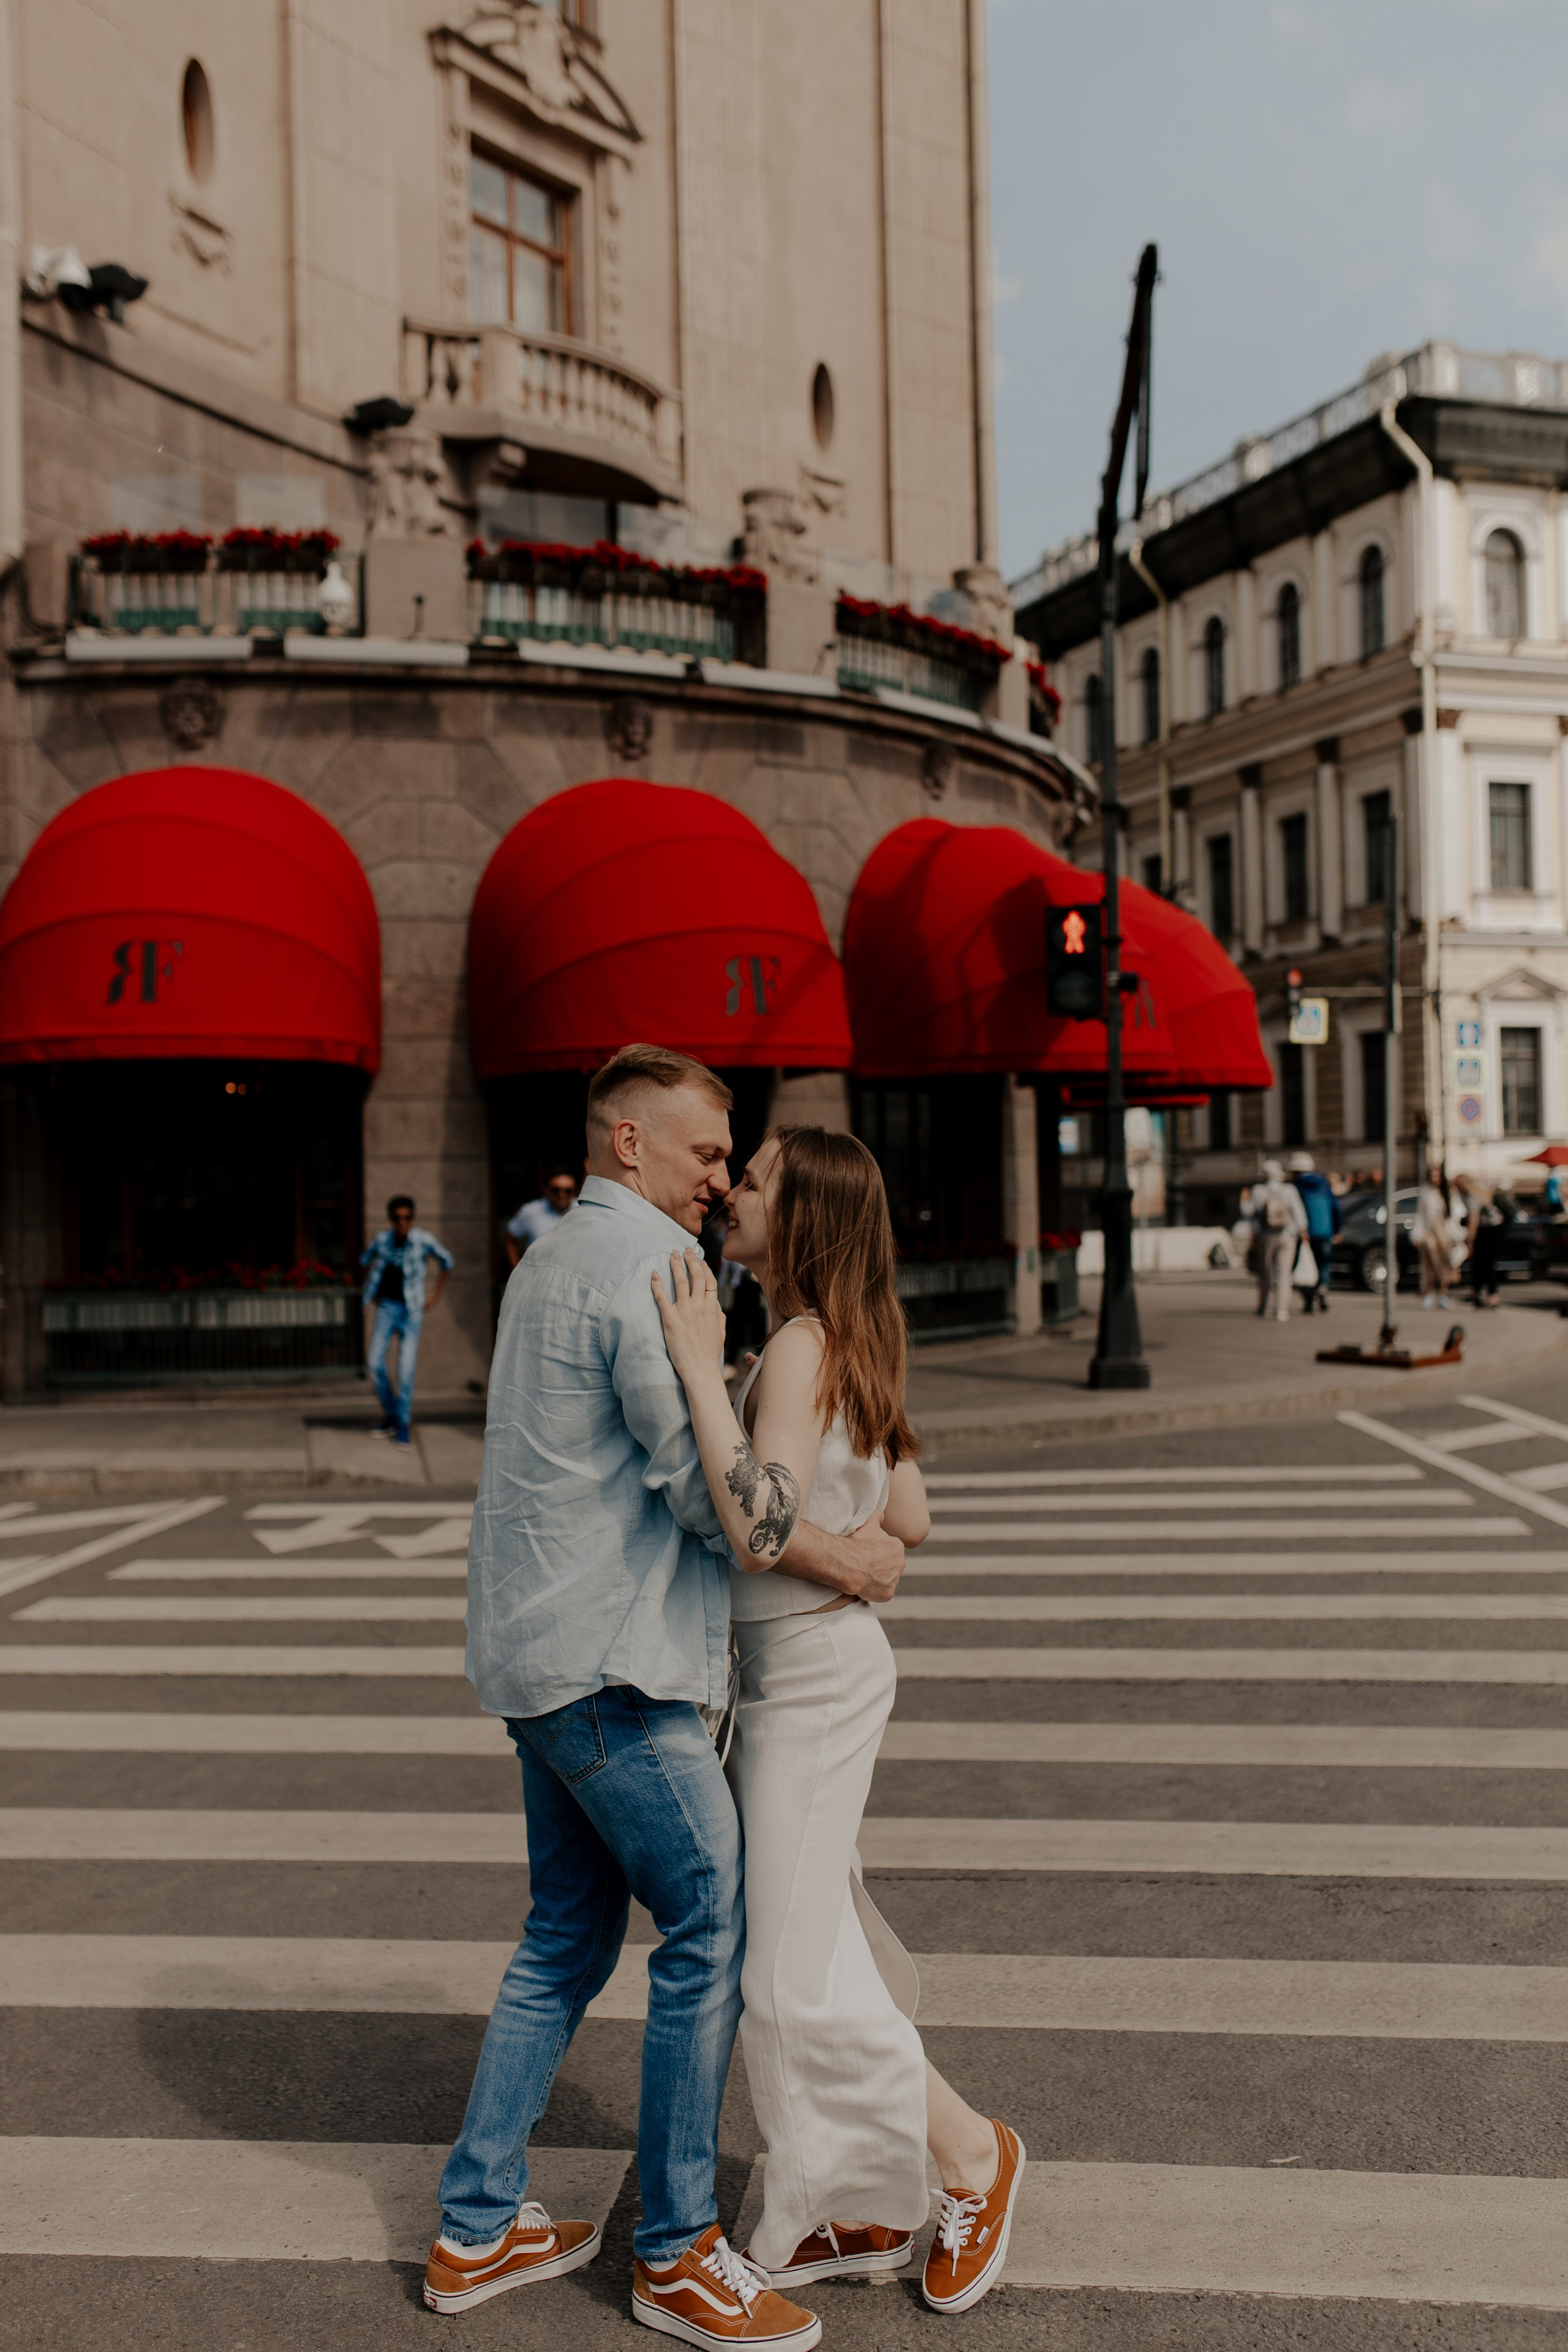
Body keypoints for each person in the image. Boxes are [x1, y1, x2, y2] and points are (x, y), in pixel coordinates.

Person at [426, 1044, 906, 2350]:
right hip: (613, 1669)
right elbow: (719, 1505)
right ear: (628, 1142)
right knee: (710, 1916)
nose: (717, 1178)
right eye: (705, 1152)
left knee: (566, 1939)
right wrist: (841, 1549)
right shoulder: (646, 1269)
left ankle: (476, 2225)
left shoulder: (545, 1260)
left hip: (535, 1656)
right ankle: (678, 2251)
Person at [653, 1126, 1025, 2318]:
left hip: (810, 1675)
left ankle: (970, 2156)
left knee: (787, 1979)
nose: (729, 1194)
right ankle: (844, 2205)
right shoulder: (838, 1343)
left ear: (800, 1215)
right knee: (815, 1955)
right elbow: (908, 1516)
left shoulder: (803, 1346)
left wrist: (708, 1374)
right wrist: (857, 1549)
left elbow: (757, 1523)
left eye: (752, 1180)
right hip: (811, 1669)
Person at [360, 1196, 453, 1446]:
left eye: (407, 1218)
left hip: (412, 1310)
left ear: (412, 1218)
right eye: (397, 1218)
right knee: (374, 1362)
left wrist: (433, 1296)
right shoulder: (382, 1240)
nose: (402, 1223)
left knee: (406, 1369)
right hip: (388, 1307)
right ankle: (391, 1414)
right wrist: (373, 1291)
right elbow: (363, 1261)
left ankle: (403, 1422)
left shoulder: (422, 1240)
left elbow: (447, 1262)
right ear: (391, 1219)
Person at [1251, 1158, 1306, 1321]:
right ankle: (1281, 1310)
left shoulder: (1258, 1191)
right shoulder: (1289, 1190)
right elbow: (1299, 1215)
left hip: (1266, 1236)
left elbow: (1250, 1215)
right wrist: (1300, 1231)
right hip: (1286, 1235)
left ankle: (1264, 1307)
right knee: (1284, 1274)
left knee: (1266, 1273)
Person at [1288, 1150, 1340, 1314]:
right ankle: (1323, 1287)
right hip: (1325, 1231)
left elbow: (1294, 1211)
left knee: (1305, 1264)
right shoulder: (1324, 1184)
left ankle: (1309, 1299)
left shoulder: (1296, 1186)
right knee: (1323, 1264)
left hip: (1305, 1233)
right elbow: (1335, 1207)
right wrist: (1337, 1229)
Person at [504, 1167, 579, 1268]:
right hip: (537, 1278)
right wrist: (516, 1272)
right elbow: (511, 1239)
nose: (562, 1195)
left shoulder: (583, 1210)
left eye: (568, 1191)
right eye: (556, 1190)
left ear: (574, 1191)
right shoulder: (531, 1211)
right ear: (546, 1190)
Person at [1412, 1164, 1454, 1310]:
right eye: (1433, 1176)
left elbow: (1453, 1214)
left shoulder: (1447, 1193)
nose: (1435, 1179)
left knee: (1445, 1263)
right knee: (1430, 1261)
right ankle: (1430, 1293)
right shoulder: (1425, 1193)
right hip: (1430, 1231)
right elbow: (1420, 1214)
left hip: (1444, 1231)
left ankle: (1443, 1294)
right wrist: (1417, 1233)